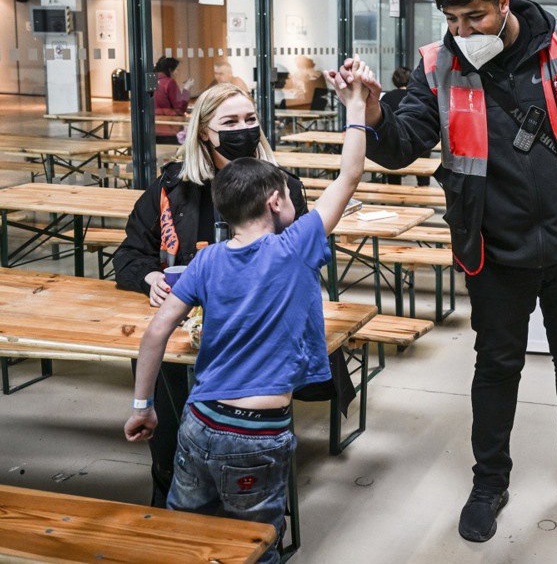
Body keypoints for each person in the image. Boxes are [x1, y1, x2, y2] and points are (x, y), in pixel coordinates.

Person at [327, 0, 557, 541]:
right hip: (494, 250)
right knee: (496, 368)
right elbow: (401, 147)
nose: (461, 30)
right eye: (450, 19)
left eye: (472, 16)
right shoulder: (438, 65)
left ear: (503, 1)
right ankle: (489, 481)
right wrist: (370, 110)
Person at [123, 60, 372, 562]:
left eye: (248, 119)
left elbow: (154, 334)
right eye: (229, 123)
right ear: (278, 203)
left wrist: (138, 405)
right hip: (258, 427)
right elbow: (349, 174)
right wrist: (358, 108)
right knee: (256, 538)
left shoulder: (209, 260)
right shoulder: (183, 194)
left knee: (187, 522)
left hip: (203, 415)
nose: (243, 130)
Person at [379, 67, 428, 186]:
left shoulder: (386, 97)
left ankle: (394, 189)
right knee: (423, 168)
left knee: (393, 172)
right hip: (420, 143)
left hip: (394, 144)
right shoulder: (418, 97)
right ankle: (423, 186)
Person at [154, 57, 193, 144]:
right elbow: (180, 109)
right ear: (170, 70)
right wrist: (186, 89)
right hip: (169, 129)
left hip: (152, 129)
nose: (177, 73)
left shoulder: (150, 80)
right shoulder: (169, 82)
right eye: (177, 70)